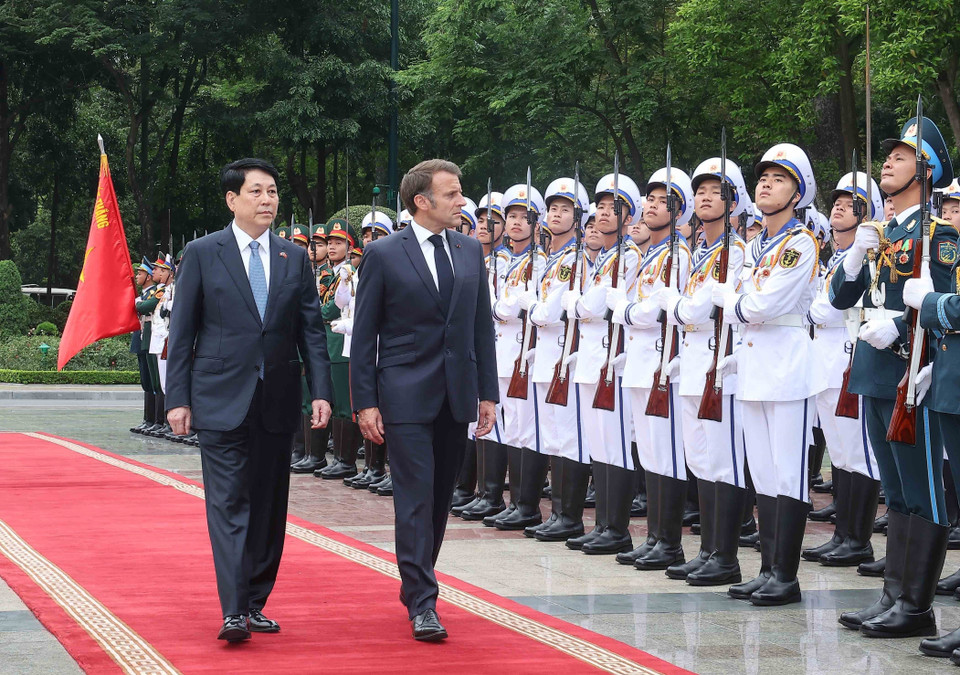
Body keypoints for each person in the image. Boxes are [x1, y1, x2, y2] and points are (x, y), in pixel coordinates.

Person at [165, 158, 333, 643]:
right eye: (256, 192)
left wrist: (320, 391)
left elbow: (310, 332)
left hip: (276, 400)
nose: (267, 200)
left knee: (268, 506)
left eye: (273, 192)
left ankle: (256, 600)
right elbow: (184, 331)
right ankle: (233, 608)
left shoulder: (293, 257)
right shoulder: (202, 252)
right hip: (219, 399)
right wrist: (178, 397)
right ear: (232, 199)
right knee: (229, 502)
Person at [350, 159, 498, 641]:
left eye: (461, 193)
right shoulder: (385, 253)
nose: (462, 202)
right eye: (452, 194)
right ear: (422, 201)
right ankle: (423, 601)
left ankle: (416, 581)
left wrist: (488, 394)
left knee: (438, 502)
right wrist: (365, 400)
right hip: (405, 394)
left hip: (457, 394)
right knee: (414, 499)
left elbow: (481, 328)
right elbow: (364, 331)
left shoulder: (468, 250)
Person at [832, 116, 956, 639]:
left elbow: (943, 309)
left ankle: (916, 606)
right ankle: (892, 595)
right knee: (897, 491)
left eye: (902, 156)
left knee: (924, 490)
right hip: (875, 372)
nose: (888, 162)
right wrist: (856, 255)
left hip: (914, 372)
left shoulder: (938, 235)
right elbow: (841, 298)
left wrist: (904, 327)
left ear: (925, 171)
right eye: (889, 155)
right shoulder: (880, 232)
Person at [714, 143, 825, 606]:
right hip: (755, 366)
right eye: (763, 177)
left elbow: (762, 304)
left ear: (797, 194)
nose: (766, 184)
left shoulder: (799, 243)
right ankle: (767, 568)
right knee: (762, 472)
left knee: (788, 475)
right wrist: (742, 309)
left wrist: (730, 303)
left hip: (787, 367)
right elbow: (751, 307)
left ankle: (786, 575)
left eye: (779, 179)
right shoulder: (758, 243)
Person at [661, 157, 750, 585]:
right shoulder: (701, 253)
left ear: (734, 202)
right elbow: (691, 308)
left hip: (720, 364)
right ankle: (708, 549)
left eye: (717, 192)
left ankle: (726, 556)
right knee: (699, 458)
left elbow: (694, 307)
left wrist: (679, 309)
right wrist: (684, 310)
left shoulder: (739, 251)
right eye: (701, 192)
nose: (707, 198)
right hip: (694, 363)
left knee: (723, 461)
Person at [609, 165, 692, 567]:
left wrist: (626, 311)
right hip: (640, 362)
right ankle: (656, 537)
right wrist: (630, 311)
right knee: (651, 454)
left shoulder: (678, 253)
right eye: (651, 199)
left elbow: (655, 310)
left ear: (680, 212)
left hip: (662, 363)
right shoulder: (649, 254)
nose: (653, 206)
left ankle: (670, 542)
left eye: (665, 202)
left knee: (667, 453)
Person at [800, 172, 883, 568]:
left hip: (851, 361)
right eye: (836, 201)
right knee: (842, 456)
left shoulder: (872, 257)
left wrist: (826, 311)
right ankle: (842, 534)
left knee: (860, 454)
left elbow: (831, 309)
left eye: (850, 204)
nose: (838, 207)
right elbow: (818, 309)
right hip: (826, 362)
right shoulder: (833, 257)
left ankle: (858, 539)